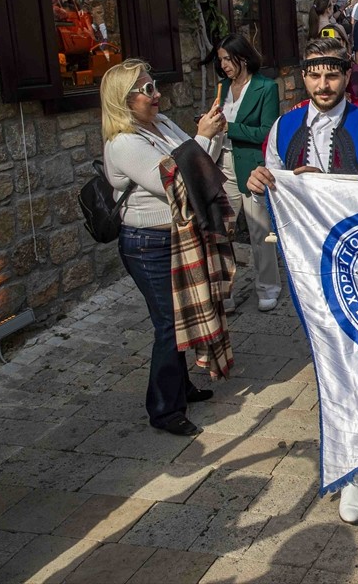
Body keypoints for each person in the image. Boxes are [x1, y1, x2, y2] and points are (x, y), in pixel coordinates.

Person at [247, 38, 358, 524]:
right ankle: (351, 461)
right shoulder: (285, 127)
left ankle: (355, 462)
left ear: (345, 77)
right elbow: (273, 189)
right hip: (307, 265)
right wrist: (262, 183)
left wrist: (325, 187)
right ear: (304, 77)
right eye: (314, 75)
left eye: (331, 75)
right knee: (330, 360)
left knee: (355, 359)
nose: (323, 84)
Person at [102, 59, 226, 437]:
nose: (157, 95)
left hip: (175, 234)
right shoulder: (123, 142)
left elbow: (203, 163)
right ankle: (164, 408)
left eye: (154, 85)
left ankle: (181, 387)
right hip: (147, 244)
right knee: (169, 324)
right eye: (148, 89)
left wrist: (213, 134)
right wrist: (202, 137)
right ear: (124, 101)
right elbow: (172, 180)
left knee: (183, 316)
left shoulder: (161, 124)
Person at [214, 34, 280, 312]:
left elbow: (268, 132)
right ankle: (224, 291)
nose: (224, 65)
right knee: (222, 231)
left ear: (243, 57)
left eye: (228, 59)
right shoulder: (222, 87)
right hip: (221, 165)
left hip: (252, 165)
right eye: (221, 60)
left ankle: (268, 287)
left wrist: (231, 128)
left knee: (259, 230)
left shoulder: (266, 87)